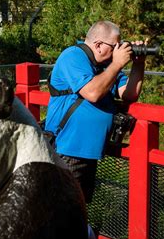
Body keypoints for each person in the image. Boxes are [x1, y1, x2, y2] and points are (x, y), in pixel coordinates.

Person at [45, 20, 146, 204]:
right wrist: (116, 64)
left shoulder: (107, 66)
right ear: (98, 45)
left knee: (79, 210)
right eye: (115, 46)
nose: (118, 51)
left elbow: (129, 94)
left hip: (88, 153)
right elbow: (93, 92)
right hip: (67, 151)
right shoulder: (72, 56)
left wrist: (139, 64)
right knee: (62, 212)